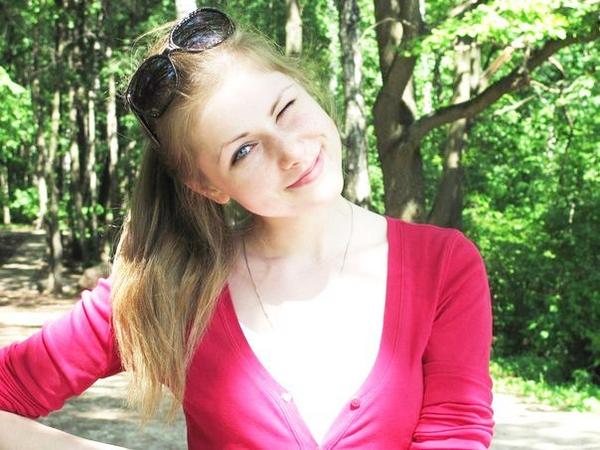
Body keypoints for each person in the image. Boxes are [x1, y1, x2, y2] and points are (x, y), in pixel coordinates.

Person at [0, 6, 494, 449]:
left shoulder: (441, 265)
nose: (292, 151)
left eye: (286, 108)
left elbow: (455, 432)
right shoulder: (170, 285)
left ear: (305, 85)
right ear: (207, 185)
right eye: (243, 150)